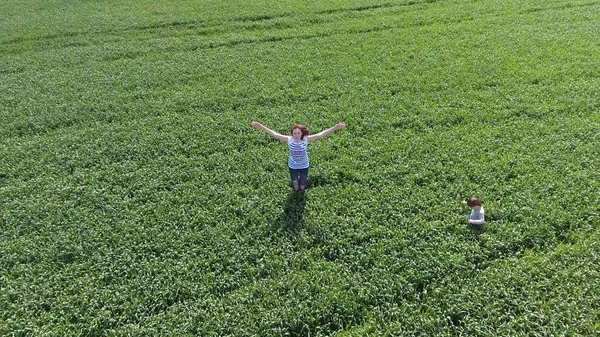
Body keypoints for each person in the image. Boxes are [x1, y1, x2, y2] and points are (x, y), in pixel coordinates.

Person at [251, 121, 346, 191]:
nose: (296, 135)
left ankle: (301, 193)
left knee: (302, 187)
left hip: (304, 166)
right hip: (292, 166)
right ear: (292, 134)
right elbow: (274, 134)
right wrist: (260, 126)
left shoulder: (305, 139)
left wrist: (334, 128)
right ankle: (296, 192)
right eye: (294, 133)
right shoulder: (289, 139)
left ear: (302, 133)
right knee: (296, 188)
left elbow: (320, 135)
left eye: (298, 133)